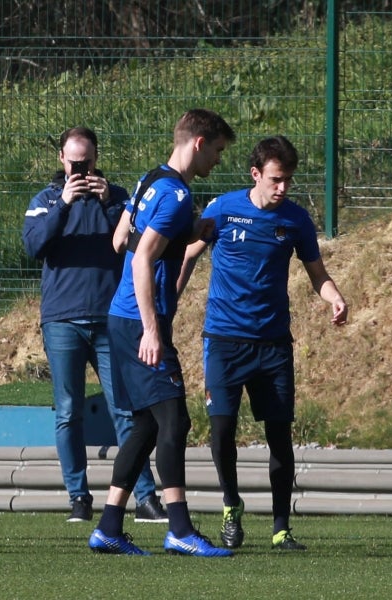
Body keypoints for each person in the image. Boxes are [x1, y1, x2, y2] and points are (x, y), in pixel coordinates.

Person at [177, 135, 349, 551]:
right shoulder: (223, 209)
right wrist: (165, 307)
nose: (283, 187)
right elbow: (187, 256)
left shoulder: (296, 221)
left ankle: (280, 527)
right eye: (276, 179)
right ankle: (231, 506)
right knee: (221, 431)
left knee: (279, 437)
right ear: (255, 174)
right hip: (223, 340)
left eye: (288, 179)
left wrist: (336, 297)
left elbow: (317, 275)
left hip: (273, 345)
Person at [87, 108, 236, 557]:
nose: (217, 160)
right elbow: (140, 259)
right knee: (175, 420)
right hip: (139, 324)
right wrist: (152, 330)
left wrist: (191, 230)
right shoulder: (174, 195)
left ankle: (109, 527)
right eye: (217, 150)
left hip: (121, 318)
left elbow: (120, 241)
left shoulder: (151, 179)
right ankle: (180, 530)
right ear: (198, 143)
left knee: (147, 426)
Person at [22, 127, 166, 524]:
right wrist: (65, 204)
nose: (80, 168)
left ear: (96, 157)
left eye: (86, 161)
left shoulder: (118, 198)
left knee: (125, 410)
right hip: (62, 320)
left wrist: (107, 206)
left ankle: (145, 497)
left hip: (109, 318)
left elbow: (136, 244)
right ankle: (79, 498)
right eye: (73, 162)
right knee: (68, 411)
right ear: (62, 160)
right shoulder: (46, 200)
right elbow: (33, 246)